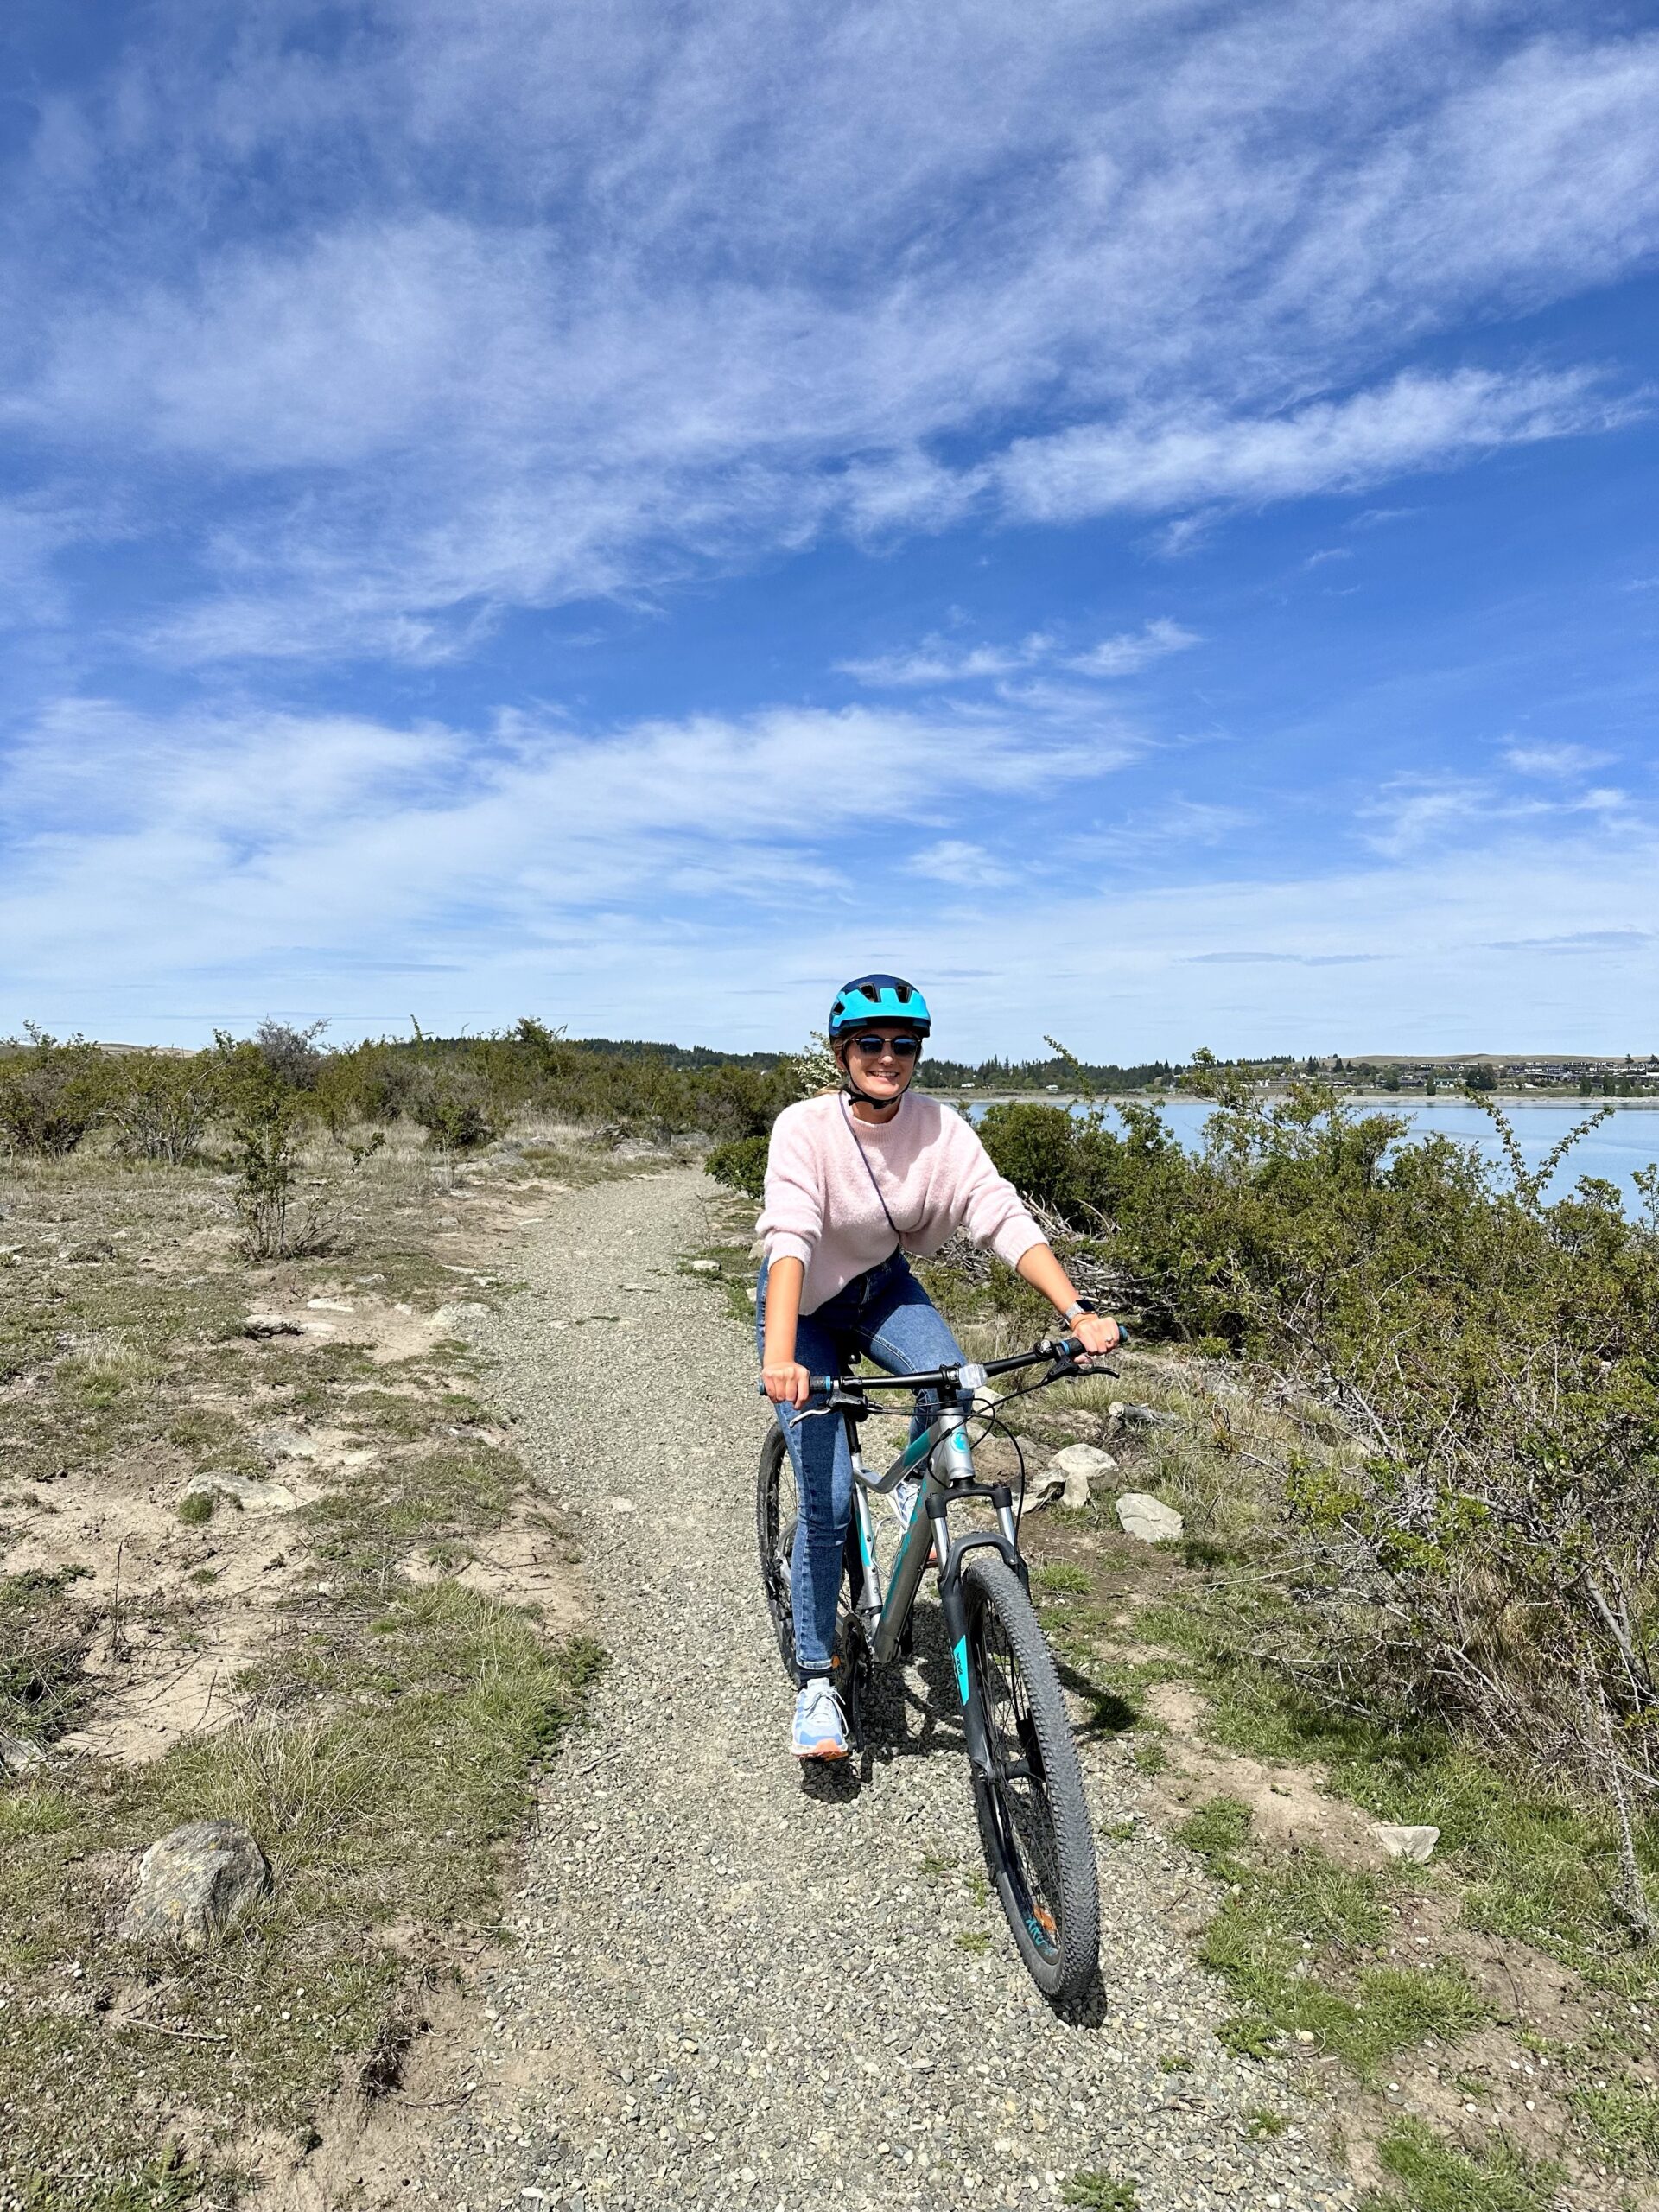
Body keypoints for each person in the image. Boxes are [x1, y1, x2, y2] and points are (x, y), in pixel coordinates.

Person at [756, 973, 1121, 1761]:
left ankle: (913, 1514)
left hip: (882, 1289)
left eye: (903, 1045)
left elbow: (999, 1215)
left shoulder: (938, 1128)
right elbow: (789, 1239)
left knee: (954, 1383)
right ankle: (818, 1679)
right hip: (808, 1307)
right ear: (843, 1052)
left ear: (918, 1053)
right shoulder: (805, 1127)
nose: (888, 1057)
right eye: (872, 1044)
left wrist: (1076, 1311)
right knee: (821, 1498)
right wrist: (780, 1356)